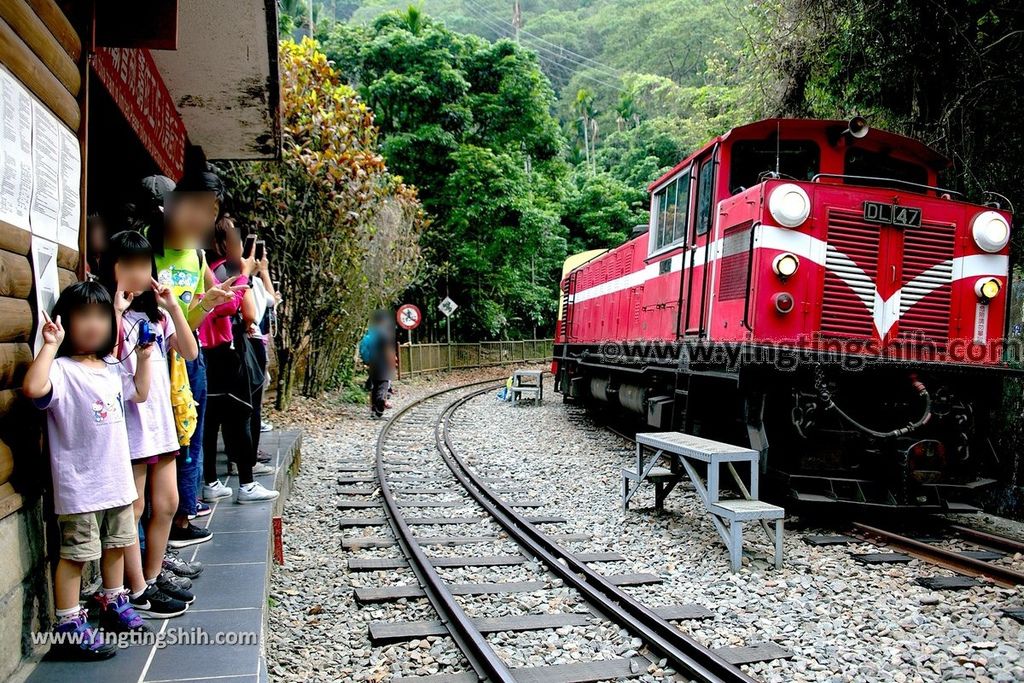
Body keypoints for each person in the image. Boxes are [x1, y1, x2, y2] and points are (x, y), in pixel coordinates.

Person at [23, 282, 152, 659]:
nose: (93, 324)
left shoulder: (110, 368)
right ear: (66, 322)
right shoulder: (61, 370)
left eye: (100, 316)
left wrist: (143, 358)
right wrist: (49, 344)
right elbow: (33, 388)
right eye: (83, 316)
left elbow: (140, 394)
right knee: (76, 555)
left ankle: (113, 603)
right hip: (80, 485)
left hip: (116, 481)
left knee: (115, 546)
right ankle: (67, 624)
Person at [146, 153, 245, 547]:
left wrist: (209, 301)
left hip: (189, 357)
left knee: (191, 436)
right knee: (163, 445)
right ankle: (162, 530)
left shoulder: (198, 254)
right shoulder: (150, 251)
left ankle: (183, 517)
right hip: (153, 359)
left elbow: (193, 318)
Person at [99, 230, 199, 618]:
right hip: (130, 427)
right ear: (114, 268)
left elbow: (189, 351)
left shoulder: (155, 316)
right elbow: (105, 355)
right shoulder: (111, 314)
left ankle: (153, 576)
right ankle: (136, 587)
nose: (137, 273)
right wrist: (116, 309)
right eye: (129, 265)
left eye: (144, 265)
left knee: (168, 503)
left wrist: (173, 307)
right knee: (134, 509)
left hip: (160, 425)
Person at [200, 215, 279, 504]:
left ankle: (210, 481)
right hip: (225, 352)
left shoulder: (203, 265)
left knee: (209, 422)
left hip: (203, 352)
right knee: (241, 416)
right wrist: (246, 274)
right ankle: (246, 483)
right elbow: (246, 312)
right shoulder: (231, 269)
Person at [362, 310, 396, 418]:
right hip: (383, 363)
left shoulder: (371, 332)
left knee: (375, 385)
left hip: (372, 363)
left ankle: (373, 409)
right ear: (383, 320)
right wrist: (392, 362)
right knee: (383, 383)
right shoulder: (384, 333)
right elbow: (388, 350)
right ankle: (380, 404)